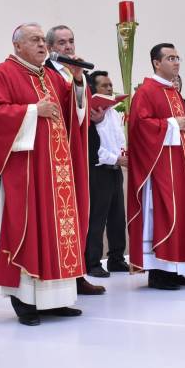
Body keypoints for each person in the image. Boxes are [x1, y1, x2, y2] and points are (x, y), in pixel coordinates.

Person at [0, 23, 89, 326]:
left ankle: (58, 300)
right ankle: (25, 302)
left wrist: (78, 82)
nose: (43, 45)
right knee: (27, 231)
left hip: (57, 173)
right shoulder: (3, 73)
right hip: (26, 173)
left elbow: (71, 112)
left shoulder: (53, 76)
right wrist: (30, 111)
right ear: (18, 46)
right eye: (35, 40)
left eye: (43, 40)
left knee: (56, 232)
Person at [127, 43, 185, 290]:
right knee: (163, 215)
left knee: (182, 214)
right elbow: (140, 127)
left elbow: (180, 126)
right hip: (161, 169)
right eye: (170, 58)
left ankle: (178, 269)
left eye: (177, 57)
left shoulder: (173, 92)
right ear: (156, 63)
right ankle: (160, 273)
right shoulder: (147, 91)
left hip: (181, 168)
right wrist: (173, 124)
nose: (176, 62)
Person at [45, 24, 105, 295]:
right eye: (61, 43)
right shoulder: (44, 73)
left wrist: (79, 80)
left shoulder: (75, 75)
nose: (68, 47)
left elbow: (80, 116)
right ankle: (62, 275)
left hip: (75, 154)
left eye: (71, 41)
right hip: (52, 156)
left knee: (80, 212)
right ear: (49, 48)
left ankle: (78, 273)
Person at [84, 70, 129, 277]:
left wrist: (124, 156)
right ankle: (92, 263)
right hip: (99, 171)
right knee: (97, 218)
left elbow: (117, 139)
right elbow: (94, 147)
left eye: (111, 85)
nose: (110, 88)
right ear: (93, 89)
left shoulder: (111, 110)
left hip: (115, 170)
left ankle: (116, 259)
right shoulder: (91, 111)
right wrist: (116, 159)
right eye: (104, 85)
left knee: (117, 216)